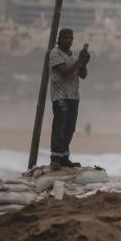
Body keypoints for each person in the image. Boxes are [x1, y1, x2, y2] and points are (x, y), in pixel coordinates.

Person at [47, 28, 90, 169]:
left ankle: (64, 157)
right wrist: (79, 61)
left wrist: (84, 63)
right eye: (66, 37)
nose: (69, 40)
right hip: (60, 95)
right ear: (59, 38)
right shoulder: (55, 53)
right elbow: (64, 72)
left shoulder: (72, 55)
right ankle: (55, 158)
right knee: (60, 126)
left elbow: (83, 75)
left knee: (70, 128)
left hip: (73, 96)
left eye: (71, 38)